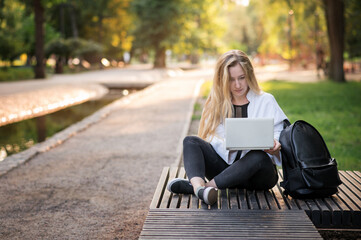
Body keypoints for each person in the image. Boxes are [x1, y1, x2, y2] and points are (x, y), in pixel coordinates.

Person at [167, 50, 288, 205]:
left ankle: (199, 189)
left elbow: (280, 133)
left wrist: (275, 145)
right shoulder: (216, 103)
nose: (237, 85)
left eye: (242, 78)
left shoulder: (266, 100)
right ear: (222, 80)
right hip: (223, 172)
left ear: (249, 75)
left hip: (258, 176)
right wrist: (230, 144)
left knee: (258, 156)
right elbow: (209, 137)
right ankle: (200, 188)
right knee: (190, 141)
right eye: (231, 80)